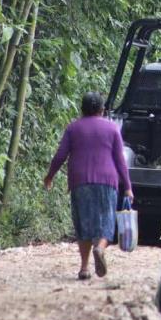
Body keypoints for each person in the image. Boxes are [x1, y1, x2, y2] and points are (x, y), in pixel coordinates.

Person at [43, 92, 133, 280]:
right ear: (102, 110)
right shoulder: (112, 128)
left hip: (80, 181)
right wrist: (128, 187)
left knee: (83, 224)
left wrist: (50, 176)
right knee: (106, 223)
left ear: (82, 109)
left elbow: (60, 155)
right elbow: (120, 160)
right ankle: (99, 248)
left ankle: (84, 268)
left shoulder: (73, 128)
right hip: (107, 181)